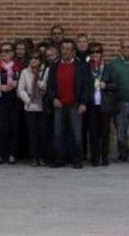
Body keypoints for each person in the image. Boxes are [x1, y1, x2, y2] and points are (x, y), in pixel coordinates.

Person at [44, 39, 89, 169]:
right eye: (64, 49)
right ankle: (59, 159)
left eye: (69, 49)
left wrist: (83, 103)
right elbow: (50, 86)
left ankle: (77, 159)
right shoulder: (54, 66)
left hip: (75, 105)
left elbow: (87, 86)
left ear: (73, 51)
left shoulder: (81, 67)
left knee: (76, 135)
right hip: (59, 105)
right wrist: (53, 99)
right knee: (58, 134)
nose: (66, 51)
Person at [0, 43, 23, 165]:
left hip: (15, 99)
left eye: (7, 51)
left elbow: (24, 83)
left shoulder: (18, 67)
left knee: (14, 127)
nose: (4, 53)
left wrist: (16, 83)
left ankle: (12, 154)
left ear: (13, 53)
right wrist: (0, 87)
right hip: (0, 99)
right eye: (2, 51)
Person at [86, 42, 117, 166]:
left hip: (104, 104)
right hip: (92, 104)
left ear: (101, 54)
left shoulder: (108, 68)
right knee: (93, 133)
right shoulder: (86, 68)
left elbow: (116, 85)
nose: (95, 55)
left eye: (97, 52)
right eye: (92, 53)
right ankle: (95, 157)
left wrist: (106, 86)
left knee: (104, 133)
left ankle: (104, 157)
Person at [17, 52, 48, 166]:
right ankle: (34, 157)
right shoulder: (25, 72)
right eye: (32, 58)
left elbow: (47, 86)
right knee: (32, 133)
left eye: (36, 58)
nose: (34, 61)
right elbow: (20, 89)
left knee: (42, 133)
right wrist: (28, 100)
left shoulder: (46, 71)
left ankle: (42, 156)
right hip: (30, 106)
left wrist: (39, 82)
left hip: (42, 105)